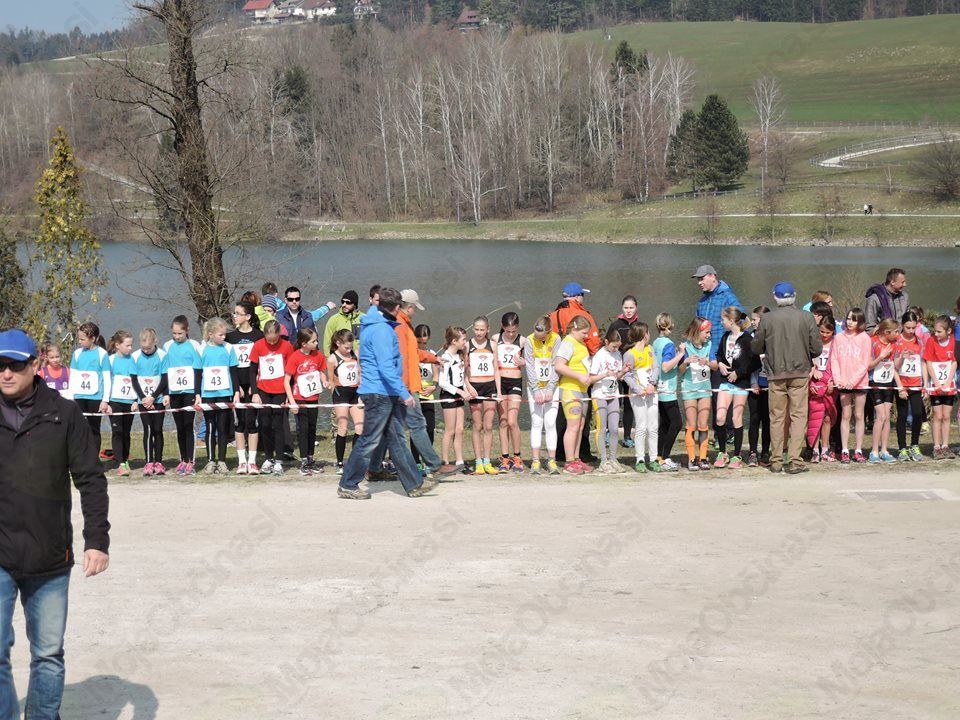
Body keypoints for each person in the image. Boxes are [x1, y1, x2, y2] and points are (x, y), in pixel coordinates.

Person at [0, 328, 110, 720]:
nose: (6, 373)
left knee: (47, 654)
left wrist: (96, 540)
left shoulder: (64, 414)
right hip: (0, 553)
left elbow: (91, 479)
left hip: (49, 556)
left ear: (35, 365)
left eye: (15, 365)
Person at [337, 287, 438, 500]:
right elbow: (386, 367)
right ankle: (348, 484)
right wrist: (404, 392)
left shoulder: (377, 324)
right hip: (379, 392)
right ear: (395, 307)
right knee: (369, 440)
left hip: (384, 391)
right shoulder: (381, 330)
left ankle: (414, 484)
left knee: (397, 439)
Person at [367, 289, 453, 479]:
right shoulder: (399, 326)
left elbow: (413, 353)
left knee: (387, 427)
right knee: (417, 424)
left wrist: (434, 358)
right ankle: (433, 464)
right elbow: (400, 358)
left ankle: (374, 468)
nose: (415, 312)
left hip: (401, 385)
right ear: (409, 307)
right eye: (415, 308)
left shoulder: (404, 324)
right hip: (404, 386)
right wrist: (403, 390)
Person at [750, 282, 822, 475]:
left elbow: (756, 347)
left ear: (775, 297)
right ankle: (795, 460)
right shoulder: (806, 317)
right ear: (794, 296)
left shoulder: (767, 319)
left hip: (776, 374)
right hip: (800, 373)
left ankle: (776, 461)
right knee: (798, 417)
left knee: (777, 417)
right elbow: (817, 348)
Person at [692, 265, 744, 452]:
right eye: (698, 279)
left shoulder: (727, 296)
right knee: (709, 395)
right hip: (704, 355)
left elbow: (741, 319)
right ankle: (716, 431)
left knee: (721, 395)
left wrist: (729, 340)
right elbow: (696, 326)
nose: (699, 283)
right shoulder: (703, 300)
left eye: (702, 279)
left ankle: (727, 432)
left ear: (712, 277)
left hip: (721, 356)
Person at [549, 282, 601, 462]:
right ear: (577, 297)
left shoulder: (553, 315)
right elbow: (594, 344)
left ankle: (559, 452)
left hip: (556, 373)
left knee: (560, 414)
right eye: (582, 296)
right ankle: (580, 454)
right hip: (576, 374)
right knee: (579, 422)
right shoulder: (583, 316)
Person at [555, 315, 608, 475]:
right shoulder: (567, 343)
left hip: (583, 390)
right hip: (570, 388)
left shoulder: (581, 344)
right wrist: (578, 376)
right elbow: (559, 366)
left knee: (580, 426)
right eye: (584, 333)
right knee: (572, 426)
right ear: (575, 329)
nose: (586, 336)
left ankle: (576, 458)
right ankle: (569, 462)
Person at [250, 319, 294, 475]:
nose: (272, 343)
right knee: (265, 423)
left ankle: (279, 460)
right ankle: (268, 458)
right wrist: (255, 392)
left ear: (279, 334)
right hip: (263, 389)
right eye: (269, 340)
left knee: (278, 424)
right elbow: (252, 370)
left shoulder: (287, 346)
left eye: (275, 339)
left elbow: (291, 372)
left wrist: (289, 394)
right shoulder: (258, 346)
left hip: (281, 390)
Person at [714, 307, 756, 470]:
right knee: (720, 417)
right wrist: (720, 364)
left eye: (723, 319)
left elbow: (754, 362)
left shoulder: (747, 339)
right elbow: (719, 354)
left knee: (736, 418)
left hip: (741, 383)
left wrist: (738, 372)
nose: (721, 322)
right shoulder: (725, 336)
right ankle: (722, 452)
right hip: (725, 381)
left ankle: (736, 455)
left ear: (731, 321)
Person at [284, 327, 329, 476]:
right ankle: (303, 461)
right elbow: (287, 381)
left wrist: (325, 381)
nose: (317, 343)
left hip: (313, 397)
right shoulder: (295, 357)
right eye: (314, 341)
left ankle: (310, 458)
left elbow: (321, 372)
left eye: (316, 340)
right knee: (302, 429)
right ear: (304, 344)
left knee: (312, 427)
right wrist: (292, 402)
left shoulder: (318, 355)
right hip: (299, 398)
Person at [830, 308, 871, 464]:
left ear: (860, 322)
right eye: (848, 318)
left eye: (853, 320)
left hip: (859, 382)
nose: (849, 322)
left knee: (859, 415)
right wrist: (838, 379)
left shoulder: (864, 338)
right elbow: (834, 359)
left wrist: (853, 381)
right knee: (846, 415)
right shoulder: (838, 337)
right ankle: (845, 450)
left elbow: (865, 363)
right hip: (843, 382)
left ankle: (858, 450)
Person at [162, 316, 202, 476]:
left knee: (188, 425)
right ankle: (183, 459)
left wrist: (197, 393)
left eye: (180, 333)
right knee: (179, 427)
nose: (177, 336)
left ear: (187, 331)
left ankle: (191, 461)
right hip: (174, 392)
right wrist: (166, 393)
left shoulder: (194, 345)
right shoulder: (167, 346)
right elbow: (165, 371)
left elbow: (198, 370)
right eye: (174, 333)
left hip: (189, 391)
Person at [227, 302, 264, 475]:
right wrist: (236, 388)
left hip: (253, 386)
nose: (234, 316)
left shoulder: (258, 336)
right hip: (238, 386)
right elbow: (230, 366)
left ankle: (252, 461)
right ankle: (242, 461)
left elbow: (261, 364)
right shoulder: (230, 337)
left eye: (238, 313)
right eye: (234, 313)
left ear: (248, 316)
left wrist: (255, 388)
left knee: (252, 422)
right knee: (239, 422)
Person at [200, 318, 240, 474]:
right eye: (220, 335)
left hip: (225, 393)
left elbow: (233, 371)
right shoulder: (202, 349)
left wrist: (236, 391)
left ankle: (222, 461)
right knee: (210, 426)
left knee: (223, 427)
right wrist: (197, 393)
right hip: (208, 393)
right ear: (210, 334)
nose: (224, 337)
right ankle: (211, 460)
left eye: (224, 334)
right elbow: (197, 372)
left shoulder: (229, 348)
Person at [524, 316, 561, 475]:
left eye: (541, 337)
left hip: (552, 386)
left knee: (550, 423)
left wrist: (551, 388)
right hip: (535, 387)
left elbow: (556, 364)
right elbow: (529, 365)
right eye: (536, 336)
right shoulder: (529, 340)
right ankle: (535, 460)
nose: (538, 339)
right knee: (537, 422)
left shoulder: (556, 339)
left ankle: (551, 460)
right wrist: (536, 389)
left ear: (549, 332)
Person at [623, 323, 660, 473]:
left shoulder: (650, 349)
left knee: (653, 426)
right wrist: (638, 389)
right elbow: (627, 376)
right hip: (638, 395)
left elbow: (656, 368)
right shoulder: (629, 354)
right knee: (641, 426)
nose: (649, 335)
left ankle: (653, 458)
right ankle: (640, 459)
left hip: (652, 392)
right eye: (648, 332)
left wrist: (652, 384)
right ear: (644, 334)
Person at [679, 317, 716, 472]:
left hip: (705, 389)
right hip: (689, 389)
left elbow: (715, 366)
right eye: (706, 332)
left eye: (709, 332)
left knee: (703, 424)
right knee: (691, 424)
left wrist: (707, 362)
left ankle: (703, 457)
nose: (709, 335)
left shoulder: (709, 345)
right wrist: (686, 361)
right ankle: (691, 458)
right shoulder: (685, 346)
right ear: (697, 331)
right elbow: (680, 370)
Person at [466, 316, 501, 476]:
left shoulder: (492, 345)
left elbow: (496, 369)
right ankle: (478, 462)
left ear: (488, 329)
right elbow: (463, 370)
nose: (479, 332)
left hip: (489, 386)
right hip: (475, 387)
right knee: (477, 425)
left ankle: (487, 461)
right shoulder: (467, 346)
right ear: (473, 329)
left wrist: (498, 392)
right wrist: (468, 387)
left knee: (488, 426)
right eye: (476, 329)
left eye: (482, 329)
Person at [590, 327, 626, 474]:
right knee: (602, 428)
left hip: (613, 395)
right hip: (600, 395)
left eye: (618, 347)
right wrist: (605, 374)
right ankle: (603, 461)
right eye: (613, 346)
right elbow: (591, 378)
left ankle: (613, 458)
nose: (615, 349)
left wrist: (623, 372)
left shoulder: (618, 354)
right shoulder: (599, 356)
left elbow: (616, 376)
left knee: (614, 428)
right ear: (606, 342)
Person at [70, 322, 111, 449]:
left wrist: (105, 400)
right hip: (79, 397)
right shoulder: (77, 353)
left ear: (93, 339)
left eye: (82, 339)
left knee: (94, 428)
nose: (80, 341)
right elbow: (73, 376)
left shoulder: (102, 354)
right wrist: (71, 397)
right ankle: (80, 456)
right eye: (79, 339)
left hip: (95, 398)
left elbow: (107, 378)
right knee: (78, 428)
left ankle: (94, 457)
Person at [132, 328, 167, 476]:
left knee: (158, 429)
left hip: (158, 399)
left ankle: (158, 462)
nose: (146, 351)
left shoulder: (162, 355)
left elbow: (164, 379)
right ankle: (148, 462)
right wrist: (142, 398)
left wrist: (153, 396)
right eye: (143, 348)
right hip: (143, 400)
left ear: (155, 342)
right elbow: (134, 380)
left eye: (149, 348)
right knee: (148, 429)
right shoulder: (135, 356)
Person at [493, 312, 525, 472]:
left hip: (515, 382)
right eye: (508, 331)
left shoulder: (523, 340)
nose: (511, 334)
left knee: (512, 421)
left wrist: (524, 361)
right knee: (503, 421)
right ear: (502, 326)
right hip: (500, 382)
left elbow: (533, 360)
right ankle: (505, 458)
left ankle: (517, 457)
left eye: (514, 331)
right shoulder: (495, 339)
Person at [438, 326, 473, 472]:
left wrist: (466, 390)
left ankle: (459, 461)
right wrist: (459, 391)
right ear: (454, 341)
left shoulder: (459, 356)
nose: (465, 342)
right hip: (449, 395)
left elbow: (461, 378)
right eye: (463, 339)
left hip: (459, 395)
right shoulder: (445, 357)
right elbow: (442, 382)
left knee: (460, 429)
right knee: (450, 430)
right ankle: (445, 462)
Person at [327, 330, 363, 473]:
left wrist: (362, 393)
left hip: (355, 393)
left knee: (360, 427)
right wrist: (332, 391)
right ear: (338, 343)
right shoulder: (332, 359)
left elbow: (360, 374)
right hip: (341, 394)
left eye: (351, 347)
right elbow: (331, 381)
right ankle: (340, 463)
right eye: (346, 348)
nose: (349, 350)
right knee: (343, 427)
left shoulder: (355, 354)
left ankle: (354, 460)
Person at [652, 314, 684, 472]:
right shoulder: (669, 344)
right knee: (677, 423)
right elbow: (665, 367)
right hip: (668, 390)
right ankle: (665, 457)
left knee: (664, 424)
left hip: (659, 388)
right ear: (670, 326)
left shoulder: (656, 342)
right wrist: (680, 354)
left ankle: (659, 456)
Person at [923, 315, 956, 460]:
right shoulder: (931, 341)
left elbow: (954, 362)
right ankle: (936, 447)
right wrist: (936, 383)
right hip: (935, 385)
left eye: (939, 332)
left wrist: (948, 382)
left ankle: (945, 446)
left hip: (949, 385)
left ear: (948, 331)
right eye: (934, 331)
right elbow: (928, 362)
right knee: (937, 415)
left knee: (947, 415)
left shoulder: (954, 341)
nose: (936, 334)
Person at [609, 295, 640, 448]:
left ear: (636, 308)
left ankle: (627, 436)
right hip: (616, 368)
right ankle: (610, 433)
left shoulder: (639, 326)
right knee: (615, 400)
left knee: (629, 402)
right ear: (622, 308)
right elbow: (608, 345)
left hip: (632, 370)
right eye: (626, 308)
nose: (628, 311)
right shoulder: (616, 325)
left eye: (631, 308)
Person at [894, 311, 926, 461]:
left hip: (916, 384)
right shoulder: (897, 341)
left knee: (918, 414)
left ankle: (914, 445)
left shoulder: (919, 342)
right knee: (902, 415)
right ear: (902, 325)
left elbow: (923, 363)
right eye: (908, 328)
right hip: (902, 384)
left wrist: (925, 384)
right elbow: (895, 366)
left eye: (914, 328)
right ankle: (902, 448)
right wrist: (900, 387)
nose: (911, 331)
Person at [868, 319, 900, 464]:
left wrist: (902, 357)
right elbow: (869, 365)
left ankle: (884, 450)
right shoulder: (873, 342)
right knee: (880, 416)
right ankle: (874, 451)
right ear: (887, 332)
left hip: (888, 383)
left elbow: (895, 366)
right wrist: (881, 356)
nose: (898, 334)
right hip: (875, 382)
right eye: (895, 332)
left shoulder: (895, 344)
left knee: (886, 417)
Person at [106, 330, 138, 477]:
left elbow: (136, 381)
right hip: (115, 402)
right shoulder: (110, 360)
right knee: (117, 432)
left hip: (129, 402)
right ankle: (120, 463)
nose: (130, 348)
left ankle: (125, 460)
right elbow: (106, 381)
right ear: (117, 345)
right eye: (127, 345)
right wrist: (106, 402)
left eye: (131, 345)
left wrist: (136, 400)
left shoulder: (132, 359)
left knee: (126, 432)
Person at [807, 314, 838, 463]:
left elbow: (839, 364)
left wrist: (833, 381)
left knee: (827, 418)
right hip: (815, 384)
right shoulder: (813, 343)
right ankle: (815, 450)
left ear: (833, 331)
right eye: (822, 332)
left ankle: (825, 449)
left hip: (830, 385)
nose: (825, 335)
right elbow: (808, 363)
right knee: (815, 418)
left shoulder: (836, 344)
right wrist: (811, 381)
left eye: (828, 332)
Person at [748, 307, 772, 467]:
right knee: (754, 418)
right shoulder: (750, 337)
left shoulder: (773, 337)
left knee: (768, 420)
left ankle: (765, 452)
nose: (752, 322)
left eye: (755, 319)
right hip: (755, 385)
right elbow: (749, 364)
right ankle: (752, 452)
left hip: (770, 385)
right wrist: (753, 382)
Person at [413, 324, 438, 468]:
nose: (422, 345)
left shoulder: (431, 353)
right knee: (417, 428)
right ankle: (416, 461)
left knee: (430, 428)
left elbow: (436, 375)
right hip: (415, 394)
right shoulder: (411, 353)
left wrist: (433, 386)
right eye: (419, 342)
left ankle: (428, 460)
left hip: (428, 395)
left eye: (425, 343)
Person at [864, 268, 909, 334]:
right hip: (882, 337)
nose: (905, 284)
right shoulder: (874, 299)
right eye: (902, 282)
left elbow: (908, 321)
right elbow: (869, 327)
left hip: (901, 337)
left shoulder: (904, 297)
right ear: (892, 282)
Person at [322, 290, 362, 356]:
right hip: (341, 358)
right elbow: (327, 343)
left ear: (355, 305)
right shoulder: (334, 319)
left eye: (348, 302)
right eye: (342, 302)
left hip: (361, 358)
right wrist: (328, 358)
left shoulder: (364, 319)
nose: (344, 305)